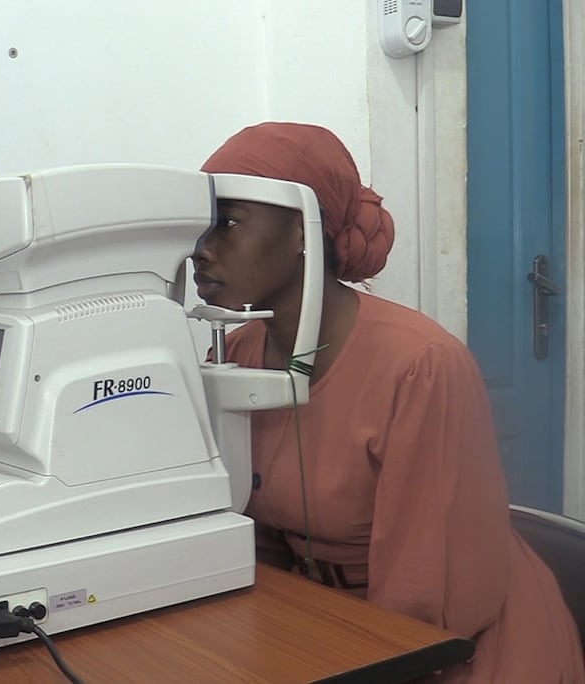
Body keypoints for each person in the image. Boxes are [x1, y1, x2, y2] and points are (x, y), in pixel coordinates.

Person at [193, 121, 584, 682]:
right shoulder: (237, 353)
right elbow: (255, 541)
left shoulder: (421, 366)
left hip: (447, 652)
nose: (202, 250)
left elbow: (427, 601)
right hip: (325, 626)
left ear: (303, 229)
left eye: (228, 223)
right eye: (201, 224)